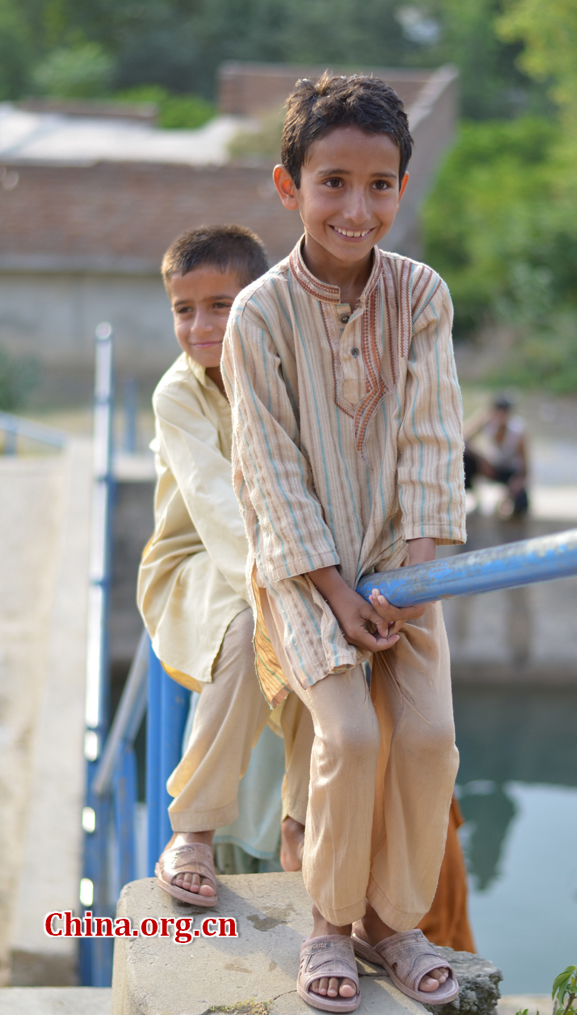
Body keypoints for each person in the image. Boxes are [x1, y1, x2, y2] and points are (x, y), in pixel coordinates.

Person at [222, 74, 466, 1011]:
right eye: (332, 183)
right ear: (289, 187)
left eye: (378, 185)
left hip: (407, 563)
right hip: (306, 572)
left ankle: (392, 923)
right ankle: (328, 923)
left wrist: (409, 584)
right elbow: (270, 472)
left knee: (432, 740)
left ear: (403, 187)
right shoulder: (259, 314)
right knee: (355, 734)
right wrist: (336, 591)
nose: (356, 208)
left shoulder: (423, 297)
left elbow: (434, 441)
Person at [137, 224, 311, 905]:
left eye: (221, 305)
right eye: (185, 309)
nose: (200, 325)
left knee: (335, 646)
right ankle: (197, 829)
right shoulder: (176, 394)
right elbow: (214, 504)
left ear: (260, 303)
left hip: (289, 555)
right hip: (199, 560)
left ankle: (303, 821)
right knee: (251, 629)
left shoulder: (288, 371)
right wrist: (285, 588)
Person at [464, 396, 529, 517]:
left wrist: (515, 486)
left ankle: (507, 503)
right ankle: (473, 497)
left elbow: (525, 467)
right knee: (465, 459)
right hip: (491, 466)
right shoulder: (487, 422)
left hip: (510, 471)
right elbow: (462, 440)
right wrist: (481, 459)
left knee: (522, 505)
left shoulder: (517, 432)